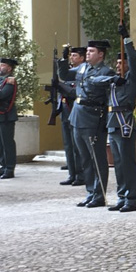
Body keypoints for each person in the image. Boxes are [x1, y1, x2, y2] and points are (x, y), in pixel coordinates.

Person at [58, 39, 114, 207]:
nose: (88, 54)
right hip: (77, 115)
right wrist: (62, 60)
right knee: (85, 158)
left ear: (101, 54)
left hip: (93, 118)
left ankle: (99, 194)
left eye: (91, 51)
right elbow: (65, 75)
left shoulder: (107, 71)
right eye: (87, 51)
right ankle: (90, 191)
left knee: (97, 158)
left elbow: (105, 95)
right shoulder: (83, 67)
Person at [98, 25, 136, 212]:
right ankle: (122, 195)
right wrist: (112, 79)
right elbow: (94, 80)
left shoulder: (133, 79)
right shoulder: (114, 81)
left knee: (127, 163)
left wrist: (127, 40)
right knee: (118, 164)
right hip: (112, 124)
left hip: (125, 124)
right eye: (116, 63)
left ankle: (132, 198)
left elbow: (133, 62)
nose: (118, 65)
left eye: (121, 63)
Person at [57, 46, 85, 185]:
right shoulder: (71, 71)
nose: (72, 58)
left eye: (74, 55)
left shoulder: (82, 71)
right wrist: (62, 59)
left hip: (76, 111)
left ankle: (80, 174)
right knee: (68, 145)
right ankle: (72, 173)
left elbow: (74, 91)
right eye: (71, 55)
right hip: (66, 110)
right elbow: (63, 76)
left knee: (76, 146)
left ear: (82, 58)